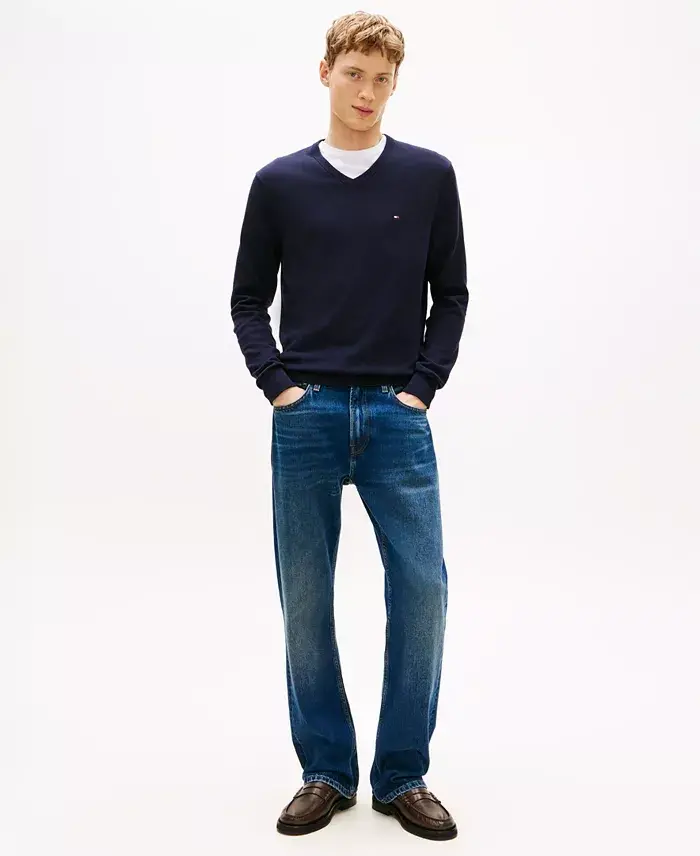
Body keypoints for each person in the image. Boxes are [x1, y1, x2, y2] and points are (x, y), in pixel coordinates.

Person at [230, 11, 467, 842]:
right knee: (306, 598)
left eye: (382, 78)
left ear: (395, 84)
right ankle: (326, 770)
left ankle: (402, 775)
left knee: (424, 589)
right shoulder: (280, 184)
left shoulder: (429, 177)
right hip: (308, 415)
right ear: (325, 71)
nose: (367, 91)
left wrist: (423, 388)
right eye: (354, 73)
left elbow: (452, 293)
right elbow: (248, 299)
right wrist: (279, 388)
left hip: (398, 416)